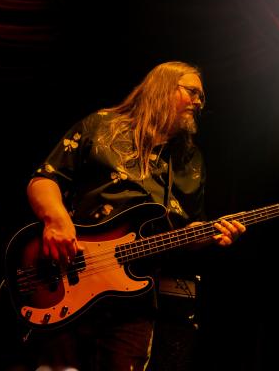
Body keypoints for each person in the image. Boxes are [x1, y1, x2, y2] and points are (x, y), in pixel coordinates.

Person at [24, 61, 245, 371]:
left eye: (201, 97)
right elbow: (45, 178)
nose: (198, 103)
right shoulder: (101, 125)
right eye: (192, 92)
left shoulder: (191, 160)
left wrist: (209, 234)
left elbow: (184, 230)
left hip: (136, 299)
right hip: (70, 276)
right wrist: (56, 220)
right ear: (163, 89)